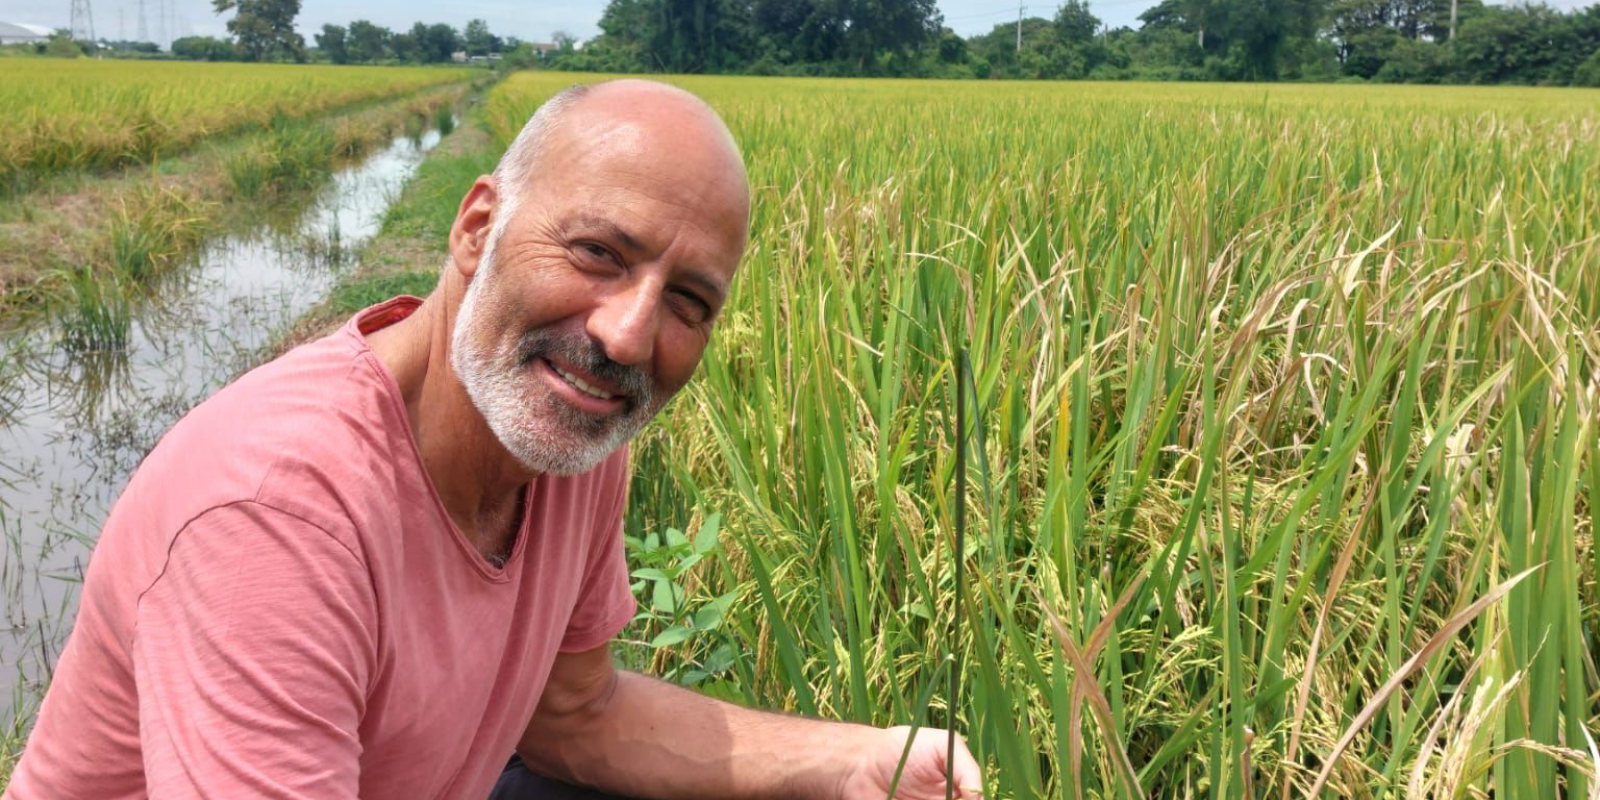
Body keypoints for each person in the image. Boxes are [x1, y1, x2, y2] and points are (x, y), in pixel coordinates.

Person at [3, 80, 983, 800]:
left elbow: (574, 717)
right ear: (475, 228)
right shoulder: (276, 510)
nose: (627, 335)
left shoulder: (570, 442)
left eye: (687, 301)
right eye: (598, 253)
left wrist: (862, 758)